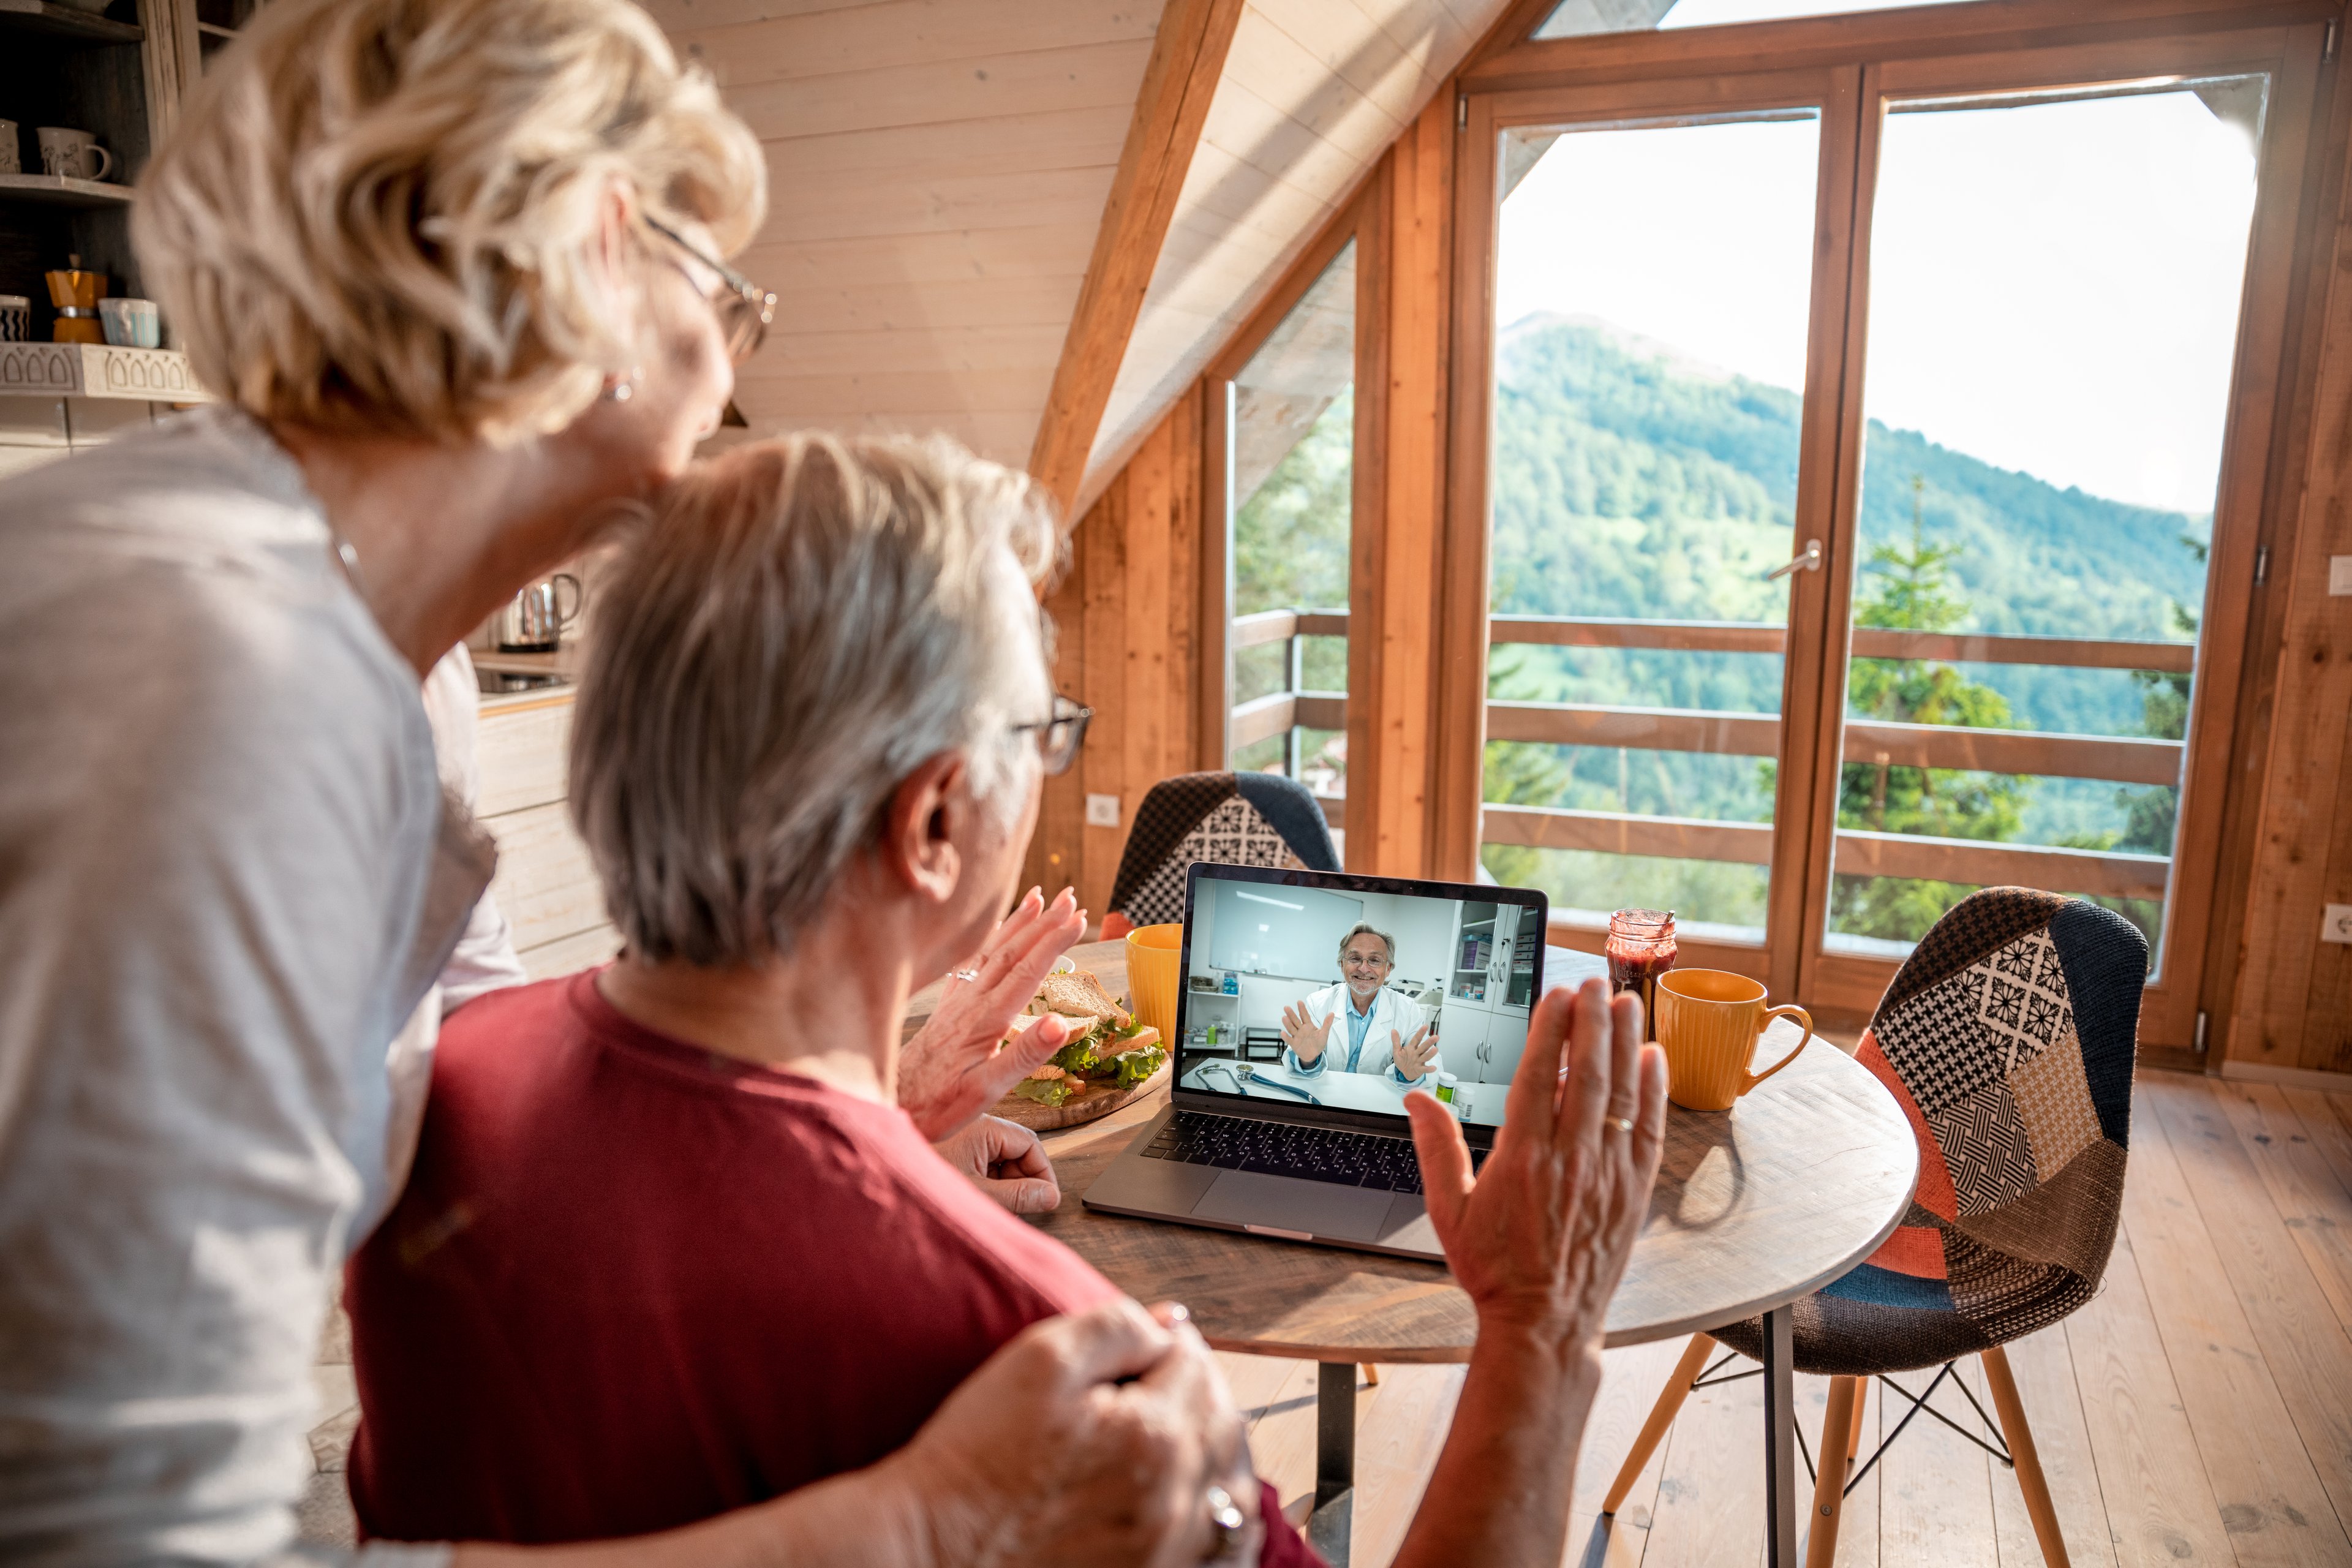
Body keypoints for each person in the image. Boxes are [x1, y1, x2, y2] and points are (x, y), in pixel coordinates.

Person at [0, 1, 1245, 1562]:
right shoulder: (232, 686)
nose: (736, 362)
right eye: (726, 286)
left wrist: (864, 1123)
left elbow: (482, 1086)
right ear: (595, 245)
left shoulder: (393, 662)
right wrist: (934, 1516)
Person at [344, 432, 1673, 1568]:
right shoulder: (1049, 1372)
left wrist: (886, 1127)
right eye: (1041, 734)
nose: (1049, 763)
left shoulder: (417, 1099)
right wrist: (1544, 1329)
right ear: (933, 820)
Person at [1279, 924, 1438, 1082]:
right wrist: (1308, 1061)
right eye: (1355, 958)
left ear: (1388, 969)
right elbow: (1300, 1058)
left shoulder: (1408, 1010)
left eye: (1375, 960)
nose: (1363, 968)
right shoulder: (1317, 1003)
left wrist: (1411, 1075)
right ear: (1342, 965)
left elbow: (1426, 1063)